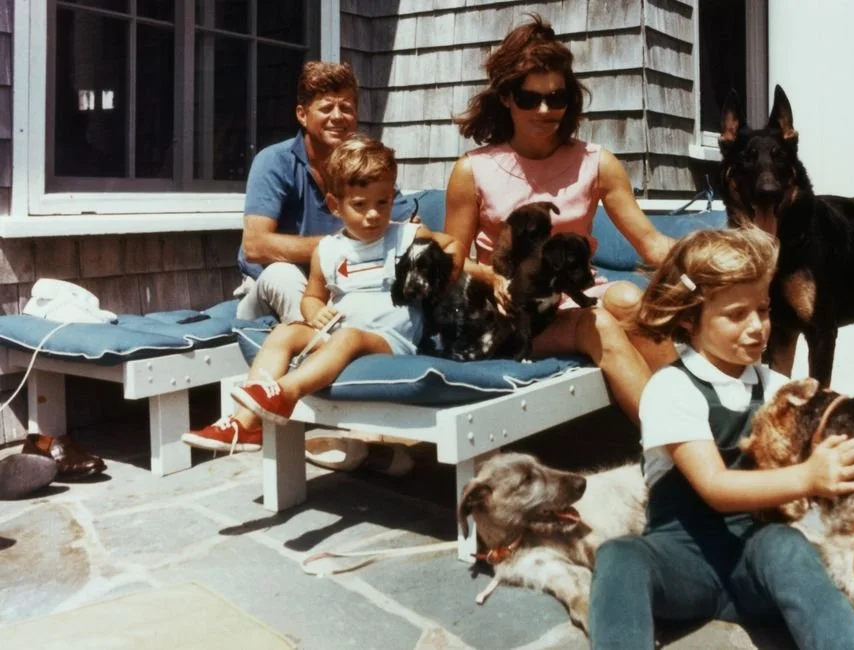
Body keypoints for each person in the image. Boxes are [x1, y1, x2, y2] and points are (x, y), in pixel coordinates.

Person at [587, 227, 854, 650]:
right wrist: (809, 478)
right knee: (620, 558)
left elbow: (834, 417)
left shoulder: (774, 385)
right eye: (737, 314)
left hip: (751, 557)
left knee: (788, 545)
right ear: (690, 319)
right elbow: (716, 488)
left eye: (764, 309)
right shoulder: (672, 389)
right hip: (682, 561)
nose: (757, 327)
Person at [445, 14, 677, 424]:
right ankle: (679, 448)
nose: (546, 109)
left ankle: (701, 420)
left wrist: (713, 269)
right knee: (600, 324)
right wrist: (492, 278)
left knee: (628, 300)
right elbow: (453, 259)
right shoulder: (473, 170)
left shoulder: (597, 163)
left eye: (558, 97)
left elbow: (651, 243)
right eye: (530, 99)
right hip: (513, 313)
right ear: (506, 98)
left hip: (577, 297)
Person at [187, 135, 463, 474]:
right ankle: (245, 423)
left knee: (349, 338)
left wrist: (438, 281)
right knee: (285, 333)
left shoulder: (406, 236)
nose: (373, 215)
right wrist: (315, 313)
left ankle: (285, 394)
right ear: (335, 205)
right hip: (341, 330)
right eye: (360, 205)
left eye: (383, 202)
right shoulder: (328, 250)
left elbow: (451, 245)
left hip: (390, 338)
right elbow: (313, 296)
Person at [234, 60, 416, 324]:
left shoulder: (364, 167)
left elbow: (403, 228)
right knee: (282, 274)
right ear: (302, 114)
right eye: (327, 107)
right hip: (269, 289)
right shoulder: (275, 161)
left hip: (341, 287)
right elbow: (255, 245)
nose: (338, 116)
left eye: (346, 107)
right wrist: (341, 246)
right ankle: (319, 349)